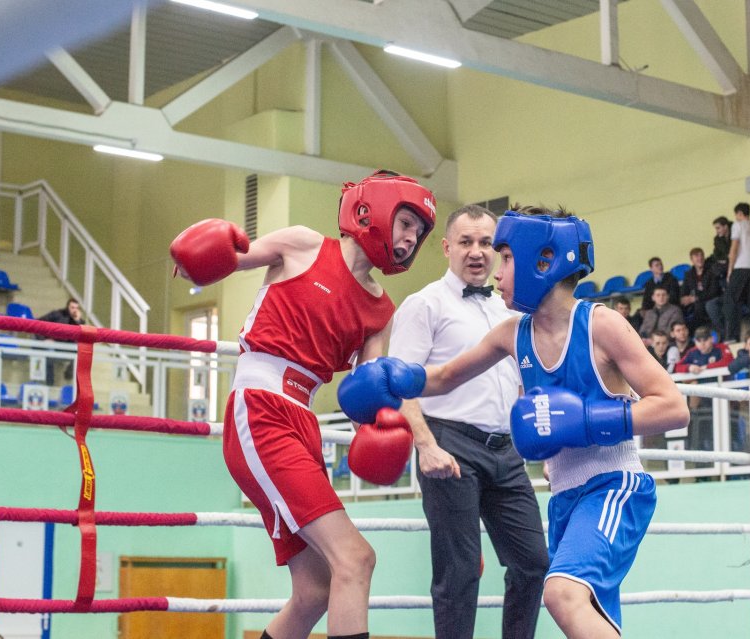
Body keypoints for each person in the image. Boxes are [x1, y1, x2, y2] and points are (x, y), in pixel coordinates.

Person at [337, 207, 688, 639]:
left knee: (561, 594)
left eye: (505, 256)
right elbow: (444, 377)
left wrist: (585, 422)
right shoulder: (513, 333)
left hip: (614, 486)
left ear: (543, 260)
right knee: (583, 607)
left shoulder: (601, 324)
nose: (496, 270)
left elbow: (674, 407)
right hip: (565, 495)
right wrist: (394, 378)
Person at [173, 170, 437, 639]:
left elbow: (367, 393)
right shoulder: (304, 245)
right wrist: (199, 257)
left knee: (314, 590)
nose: (411, 239)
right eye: (406, 223)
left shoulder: (381, 310)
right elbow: (227, 259)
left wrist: (380, 430)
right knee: (355, 558)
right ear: (371, 211)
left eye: (419, 232)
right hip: (260, 408)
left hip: (303, 420)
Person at [388, 204, 547, 639]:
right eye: (466, 242)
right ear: (446, 248)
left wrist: (543, 448)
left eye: (485, 243)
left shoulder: (509, 310)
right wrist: (425, 445)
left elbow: (523, 386)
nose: (476, 252)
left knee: (534, 562)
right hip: (449, 444)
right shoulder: (425, 304)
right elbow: (399, 384)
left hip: (506, 450)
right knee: (458, 574)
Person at [722, 203, 750, 342]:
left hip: (741, 267)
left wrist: (730, 269)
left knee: (730, 301)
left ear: (740, 213)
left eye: (736, 214)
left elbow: (734, 248)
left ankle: (732, 336)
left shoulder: (738, 225)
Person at [37, 298, 86, 385]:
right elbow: (38, 323)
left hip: (67, 347)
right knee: (49, 352)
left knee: (81, 352)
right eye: (72, 307)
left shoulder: (79, 321)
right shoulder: (57, 314)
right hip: (54, 345)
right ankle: (49, 383)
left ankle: (68, 375)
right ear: (67, 307)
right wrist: (43, 339)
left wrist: (77, 321)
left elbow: (81, 336)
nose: (74, 310)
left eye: (76, 308)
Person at [679, 247, 721, 331]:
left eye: (701, 255)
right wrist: (683, 299)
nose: (700, 258)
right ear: (692, 260)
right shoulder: (689, 274)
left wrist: (696, 298)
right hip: (695, 301)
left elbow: (714, 292)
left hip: (710, 299)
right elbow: (684, 291)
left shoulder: (711, 271)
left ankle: (699, 331)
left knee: (699, 306)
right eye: (696, 256)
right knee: (678, 307)